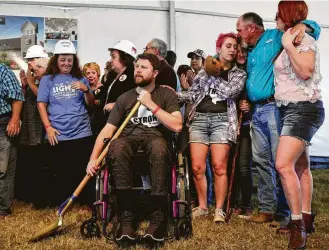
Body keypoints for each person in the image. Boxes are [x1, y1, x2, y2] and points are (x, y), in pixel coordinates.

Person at [86, 53, 182, 243]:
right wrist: (93, 158)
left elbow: (177, 125)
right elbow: (107, 130)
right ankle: (126, 219)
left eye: (143, 67)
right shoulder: (124, 98)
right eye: (136, 66)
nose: (137, 70)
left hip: (155, 139)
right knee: (117, 145)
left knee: (158, 146)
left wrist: (151, 105)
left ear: (154, 72)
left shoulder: (166, 94)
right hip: (129, 141)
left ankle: (158, 219)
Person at [236, 12, 321, 226]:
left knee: (281, 161)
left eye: (240, 29)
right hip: (256, 110)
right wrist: (246, 100)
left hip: (275, 106)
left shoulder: (275, 36)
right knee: (261, 161)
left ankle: (284, 212)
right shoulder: (250, 50)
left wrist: (304, 25)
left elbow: (315, 28)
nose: (238, 33)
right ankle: (266, 208)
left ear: (252, 27)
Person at [177, 33, 246, 223]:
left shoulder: (238, 73)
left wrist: (214, 73)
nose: (232, 50)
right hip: (199, 119)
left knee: (219, 166)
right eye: (228, 46)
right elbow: (193, 95)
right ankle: (202, 206)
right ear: (218, 49)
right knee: (198, 167)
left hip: (223, 120)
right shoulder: (203, 71)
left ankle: (219, 209)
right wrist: (174, 94)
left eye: (234, 47)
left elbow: (231, 92)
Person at [273, 1, 324, 249]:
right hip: (287, 109)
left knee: (283, 164)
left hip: (303, 108)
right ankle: (306, 217)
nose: (275, 19)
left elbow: (305, 71)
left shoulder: (303, 40)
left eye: (278, 15)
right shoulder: (291, 38)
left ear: (287, 15)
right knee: (301, 166)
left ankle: (297, 226)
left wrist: (288, 47)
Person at [37, 40, 94, 207]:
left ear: (74, 60)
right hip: (58, 132)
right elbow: (41, 105)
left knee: (82, 169)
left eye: (69, 59)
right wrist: (48, 127)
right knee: (60, 170)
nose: (66, 63)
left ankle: (84, 202)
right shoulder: (48, 80)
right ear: (56, 60)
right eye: (63, 59)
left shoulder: (81, 78)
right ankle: (62, 203)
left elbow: (90, 103)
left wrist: (86, 89)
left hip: (82, 131)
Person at [16, 54, 49, 206]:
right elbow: (23, 101)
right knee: (29, 162)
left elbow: (42, 97)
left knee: (41, 164)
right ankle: (28, 195)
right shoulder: (33, 81)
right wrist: (24, 86)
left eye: (35, 68)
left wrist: (29, 82)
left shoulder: (48, 81)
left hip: (41, 130)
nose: (33, 70)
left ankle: (41, 199)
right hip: (29, 130)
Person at [231, 44, 253, 217]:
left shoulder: (252, 71)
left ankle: (245, 203)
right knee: (232, 165)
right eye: (237, 51)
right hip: (229, 125)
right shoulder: (229, 72)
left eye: (244, 51)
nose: (240, 54)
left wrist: (249, 106)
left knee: (244, 166)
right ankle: (232, 202)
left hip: (246, 126)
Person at [0, 64, 24, 217]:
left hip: (2, 123)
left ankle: (3, 207)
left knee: (3, 168)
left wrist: (15, 119)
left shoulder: (2, 70)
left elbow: (16, 95)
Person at [102, 40, 137, 123]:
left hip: (122, 124)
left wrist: (116, 105)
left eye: (113, 57)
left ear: (124, 58)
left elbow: (136, 98)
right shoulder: (111, 75)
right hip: (107, 121)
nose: (110, 60)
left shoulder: (133, 76)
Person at [82, 62, 104, 136]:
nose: (90, 75)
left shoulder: (103, 87)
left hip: (98, 121)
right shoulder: (83, 88)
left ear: (97, 74)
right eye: (88, 73)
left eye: (93, 73)